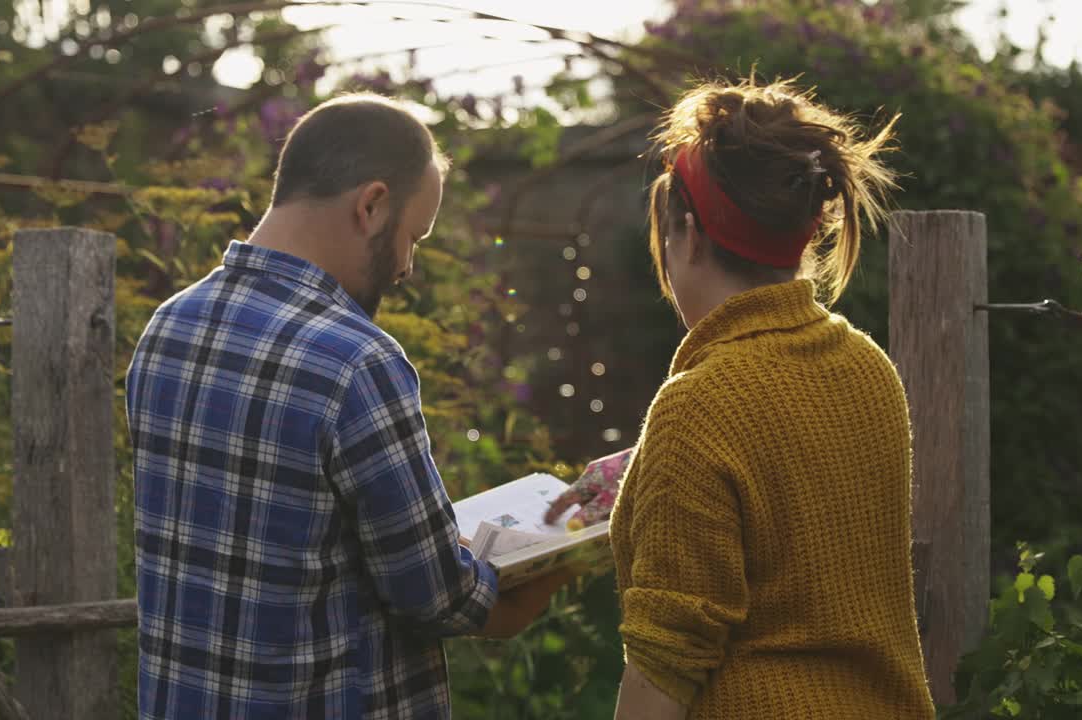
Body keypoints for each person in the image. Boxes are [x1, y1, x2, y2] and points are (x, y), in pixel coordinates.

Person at [126, 93, 568, 720]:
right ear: (371, 205)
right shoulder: (357, 361)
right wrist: (557, 559)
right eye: (414, 236)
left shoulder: (168, 327)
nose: (408, 265)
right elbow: (435, 596)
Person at [548, 77, 934, 719]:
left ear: (690, 236)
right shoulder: (867, 367)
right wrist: (641, 473)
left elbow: (666, 662)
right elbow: (798, 479)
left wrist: (672, 448)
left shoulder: (699, 406)